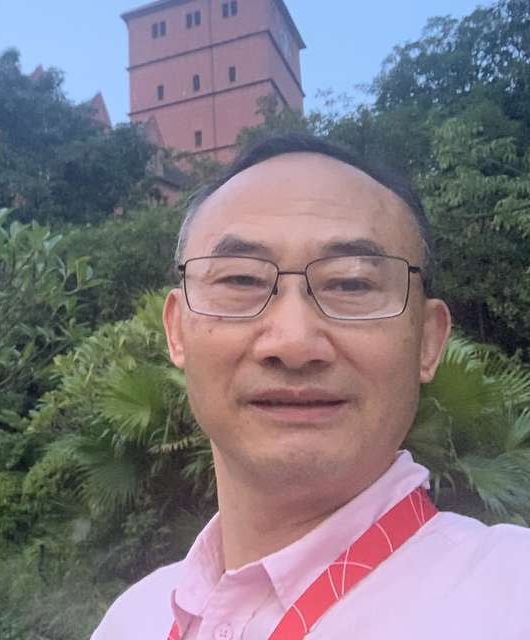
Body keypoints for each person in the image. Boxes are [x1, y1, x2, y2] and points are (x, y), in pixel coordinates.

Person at [91, 133, 530, 640]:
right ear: (176, 330)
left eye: (350, 284)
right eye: (240, 280)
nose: (294, 342)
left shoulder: (511, 596)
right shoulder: (132, 619)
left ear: (429, 342)